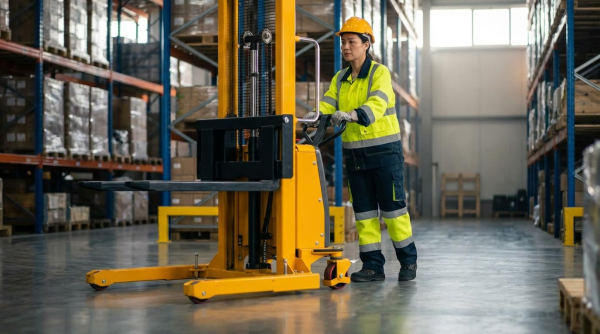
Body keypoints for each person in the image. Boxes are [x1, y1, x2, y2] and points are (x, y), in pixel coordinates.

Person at [305, 17, 417, 282]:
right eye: (343, 42)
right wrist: (310, 118)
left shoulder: (379, 73)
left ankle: (408, 263)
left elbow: (378, 103)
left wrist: (354, 114)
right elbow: (327, 103)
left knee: (393, 211)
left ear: (366, 44)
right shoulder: (340, 78)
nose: (346, 47)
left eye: (351, 42)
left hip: (384, 154)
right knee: (365, 214)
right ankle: (372, 267)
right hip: (356, 156)